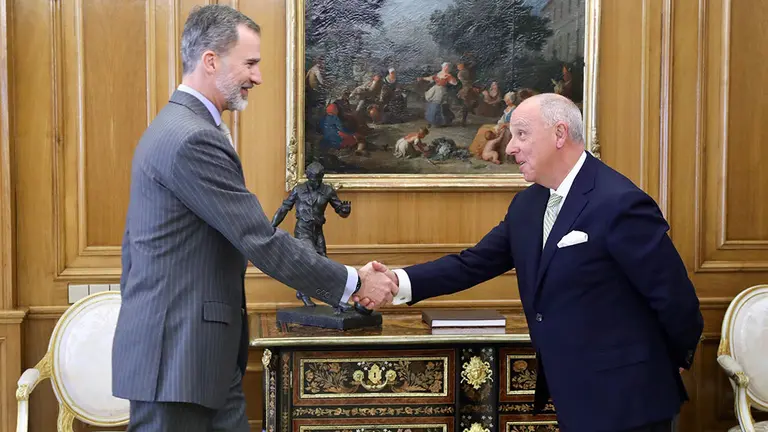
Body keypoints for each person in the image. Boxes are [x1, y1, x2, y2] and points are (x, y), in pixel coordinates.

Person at [111, 5, 397, 431]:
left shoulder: (179, 127)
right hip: (177, 361)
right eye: (250, 63)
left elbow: (134, 251)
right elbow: (260, 239)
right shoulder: (191, 138)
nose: (258, 76)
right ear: (211, 61)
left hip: (195, 356)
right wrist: (353, 282)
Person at [358, 93, 704, 432]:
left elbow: (676, 301)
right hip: (572, 398)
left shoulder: (620, 202)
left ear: (559, 134)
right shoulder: (527, 206)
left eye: (522, 134)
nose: (509, 147)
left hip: (631, 403)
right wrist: (396, 281)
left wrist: (665, 363)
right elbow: (473, 263)